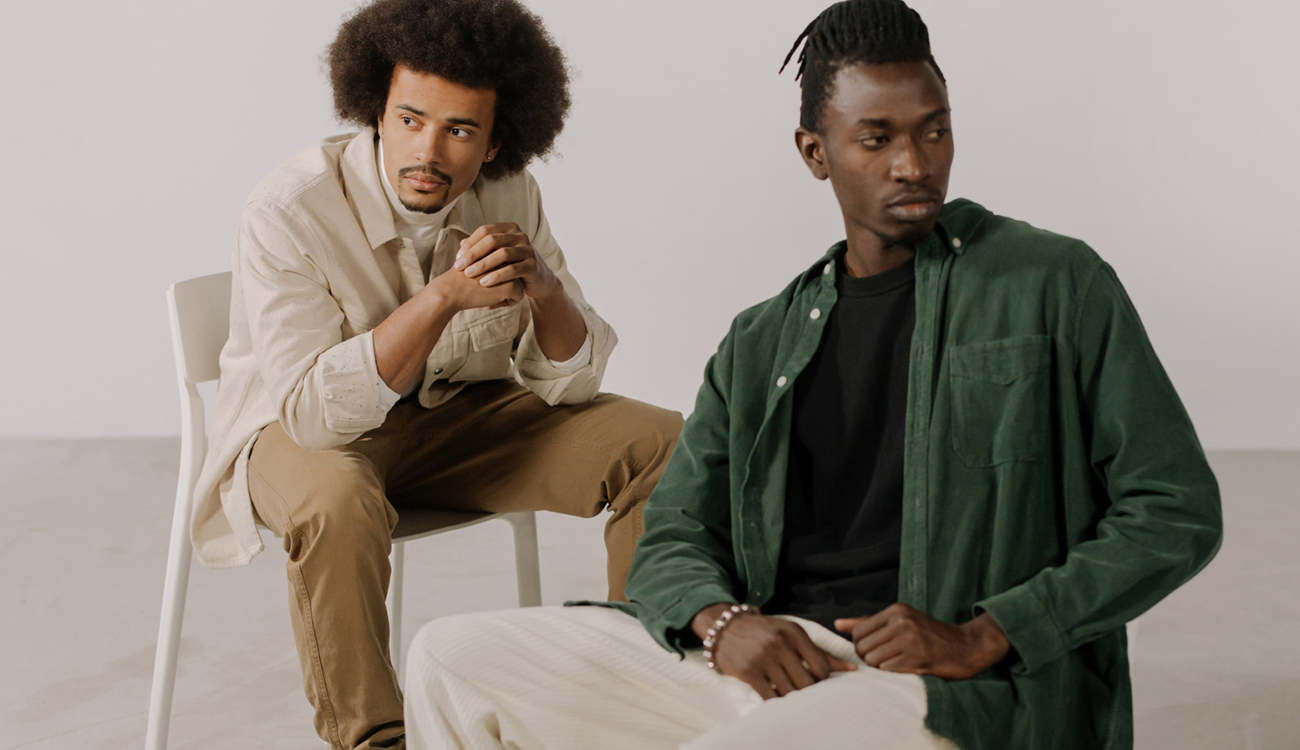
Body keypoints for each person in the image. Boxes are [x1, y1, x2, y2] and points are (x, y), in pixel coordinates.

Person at [402, 1, 1224, 748]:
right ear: (815, 152)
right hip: (774, 662)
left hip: (942, 688)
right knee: (452, 657)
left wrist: (987, 632)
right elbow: (676, 532)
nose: (914, 163)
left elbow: (1174, 508)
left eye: (934, 131)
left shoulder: (1052, 284)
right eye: (877, 139)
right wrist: (721, 624)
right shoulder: (761, 341)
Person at [189, 0, 684, 747]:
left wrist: (544, 287)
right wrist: (443, 297)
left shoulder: (511, 191)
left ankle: (638, 697)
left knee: (663, 442)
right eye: (411, 119)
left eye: (459, 130)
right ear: (376, 114)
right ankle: (374, 741)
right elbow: (313, 417)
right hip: (298, 432)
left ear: (494, 143)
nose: (429, 151)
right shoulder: (289, 209)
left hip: (453, 422)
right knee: (337, 501)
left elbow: (569, 385)